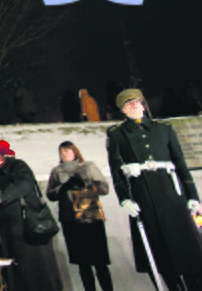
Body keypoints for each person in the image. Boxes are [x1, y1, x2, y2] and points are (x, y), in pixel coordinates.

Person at [106, 89, 202, 290]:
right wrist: (124, 198)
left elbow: (180, 163)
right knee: (158, 249)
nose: (134, 104)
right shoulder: (117, 134)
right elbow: (116, 171)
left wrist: (193, 196)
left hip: (172, 196)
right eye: (128, 103)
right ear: (123, 110)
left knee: (186, 246)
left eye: (137, 101)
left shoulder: (164, 128)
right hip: (144, 199)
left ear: (143, 105)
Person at [0, 140, 63, 291]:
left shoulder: (17, 166)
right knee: (19, 274)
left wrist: (3, 196)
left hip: (27, 231)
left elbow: (25, 184)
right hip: (11, 232)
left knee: (35, 272)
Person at [47, 141, 113, 291]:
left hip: (90, 215)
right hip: (70, 219)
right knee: (83, 263)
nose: (64, 153)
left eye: (68, 150)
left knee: (100, 262)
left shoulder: (88, 166)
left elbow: (104, 188)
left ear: (75, 151)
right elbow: (50, 194)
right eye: (62, 151)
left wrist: (86, 185)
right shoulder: (57, 171)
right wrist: (64, 187)